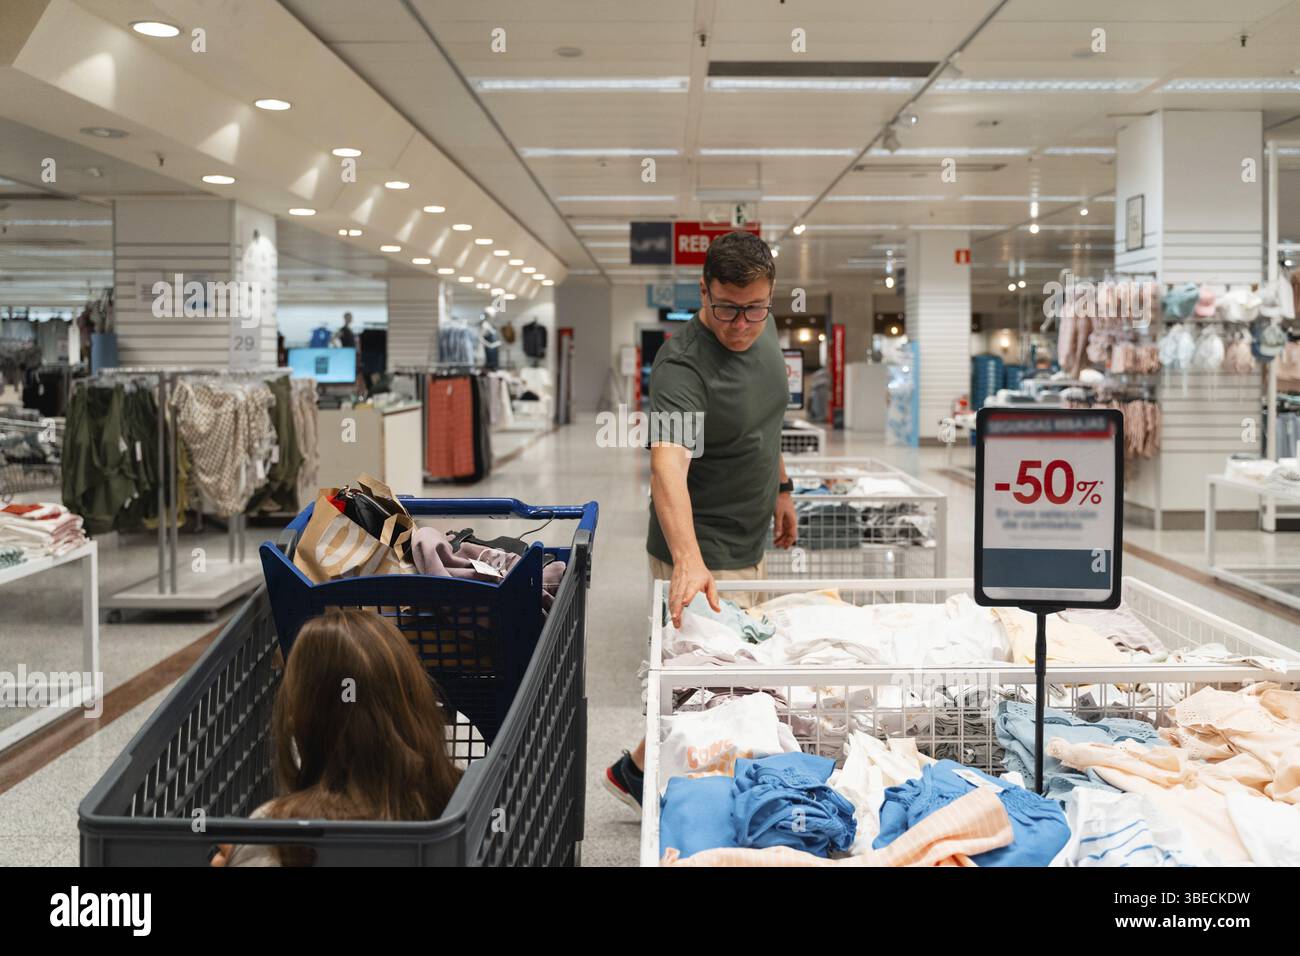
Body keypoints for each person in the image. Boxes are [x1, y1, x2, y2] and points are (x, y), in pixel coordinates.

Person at [603, 230, 797, 811]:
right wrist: (689, 560)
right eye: (726, 308)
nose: (741, 323)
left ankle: (645, 771)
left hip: (750, 535)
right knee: (718, 685)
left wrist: (782, 487)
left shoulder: (765, 330)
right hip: (702, 548)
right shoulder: (683, 366)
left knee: (734, 682)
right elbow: (668, 466)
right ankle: (653, 778)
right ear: (703, 292)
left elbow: (767, 421)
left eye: (755, 308)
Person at [211, 608, 462, 866]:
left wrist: (243, 857)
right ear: (415, 702)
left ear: (303, 719)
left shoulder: (280, 833)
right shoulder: (457, 801)